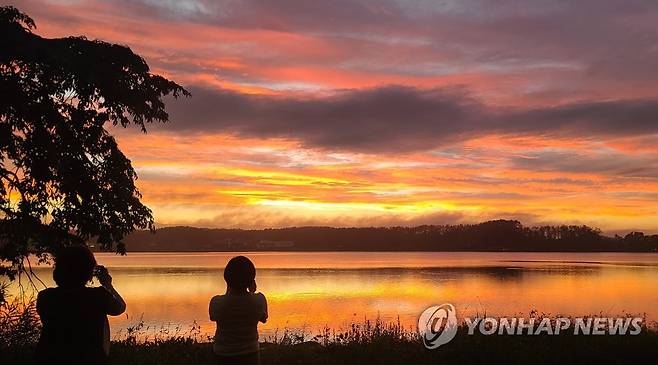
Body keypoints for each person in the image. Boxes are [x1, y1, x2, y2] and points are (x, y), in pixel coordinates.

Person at [36, 246, 126, 365]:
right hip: (89, 358)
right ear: (88, 272)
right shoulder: (98, 296)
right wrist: (108, 285)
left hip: (50, 357)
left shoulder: (45, 297)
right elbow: (120, 307)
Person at [209, 256, 268, 365]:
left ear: (226, 278)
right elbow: (264, 319)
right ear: (251, 280)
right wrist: (252, 291)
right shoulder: (259, 300)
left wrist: (229, 289)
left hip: (222, 354)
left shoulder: (216, 302)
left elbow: (213, 317)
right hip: (250, 354)